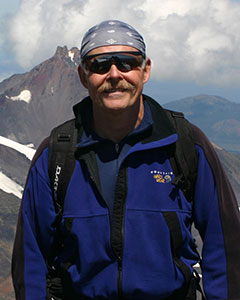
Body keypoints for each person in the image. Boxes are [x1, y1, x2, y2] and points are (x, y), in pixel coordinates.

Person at [12, 20, 240, 300]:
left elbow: (226, 244)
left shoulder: (185, 143)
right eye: (99, 65)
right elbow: (30, 257)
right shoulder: (58, 154)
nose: (114, 74)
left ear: (145, 71)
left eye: (127, 63)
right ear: (84, 77)